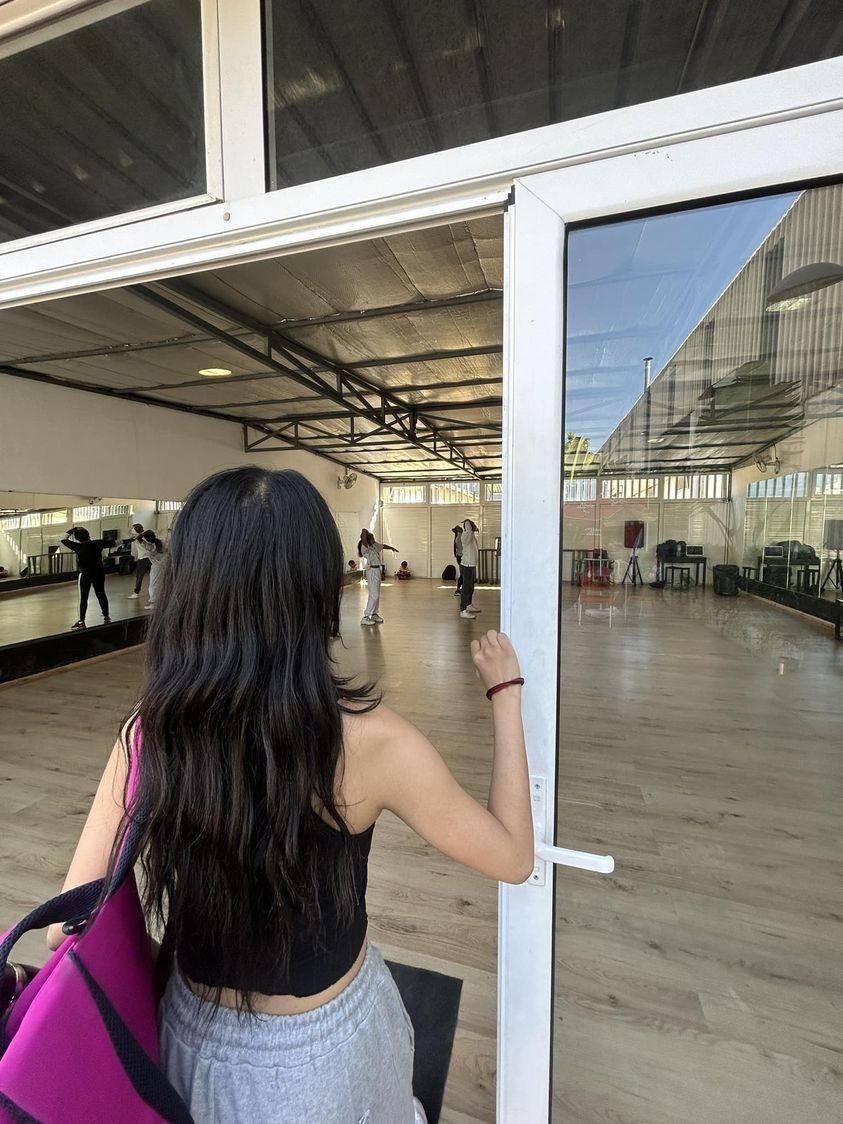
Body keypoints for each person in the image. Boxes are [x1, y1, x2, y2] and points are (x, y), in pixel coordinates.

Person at [46, 467, 533, 1124]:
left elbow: (64, 930)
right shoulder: (372, 742)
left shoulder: (149, 735)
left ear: (192, 583)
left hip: (187, 1038)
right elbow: (511, 857)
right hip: (328, 1055)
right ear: (314, 586)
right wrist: (505, 696)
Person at [60, 526, 113, 630]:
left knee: (83, 598)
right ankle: (106, 616)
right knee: (101, 594)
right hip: (99, 573)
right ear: (88, 535)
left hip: (85, 574)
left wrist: (73, 529)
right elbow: (118, 542)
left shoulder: (78, 546)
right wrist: (132, 539)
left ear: (77, 538)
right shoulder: (98, 543)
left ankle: (81, 621)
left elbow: (63, 538)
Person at [358, 528, 398, 626]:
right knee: (374, 594)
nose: (374, 540)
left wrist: (392, 548)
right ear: (367, 540)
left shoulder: (375, 545)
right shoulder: (365, 547)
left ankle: (374, 614)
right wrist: (364, 532)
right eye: (372, 538)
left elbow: (383, 546)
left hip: (377, 570)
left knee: (377, 593)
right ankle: (366, 617)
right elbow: (363, 539)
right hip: (371, 571)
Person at [458, 518, 481, 619]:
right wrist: (467, 522)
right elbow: (468, 528)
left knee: (471, 587)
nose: (472, 526)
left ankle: (469, 605)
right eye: (470, 525)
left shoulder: (470, 535)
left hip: (471, 565)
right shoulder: (465, 535)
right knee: (466, 588)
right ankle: (463, 610)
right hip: (466, 565)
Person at [139, 529, 165, 609]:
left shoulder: (150, 546)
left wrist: (145, 532)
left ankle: (154, 603)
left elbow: (138, 538)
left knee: (153, 585)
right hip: (165, 564)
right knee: (162, 583)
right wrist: (150, 532)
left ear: (147, 539)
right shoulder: (162, 542)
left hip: (157, 567)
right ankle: (161, 601)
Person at [128, 523, 151, 600]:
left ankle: (136, 593)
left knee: (139, 576)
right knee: (139, 576)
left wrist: (141, 532)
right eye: (136, 528)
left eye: (139, 527)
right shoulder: (136, 536)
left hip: (145, 558)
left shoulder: (144, 535)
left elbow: (147, 532)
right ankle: (136, 592)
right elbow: (132, 536)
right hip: (146, 558)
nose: (136, 529)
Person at [452, 525, 464, 597]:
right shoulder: (460, 538)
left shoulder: (457, 537)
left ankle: (460, 588)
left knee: (463, 573)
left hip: (460, 557)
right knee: (463, 573)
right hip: (461, 557)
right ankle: (458, 589)